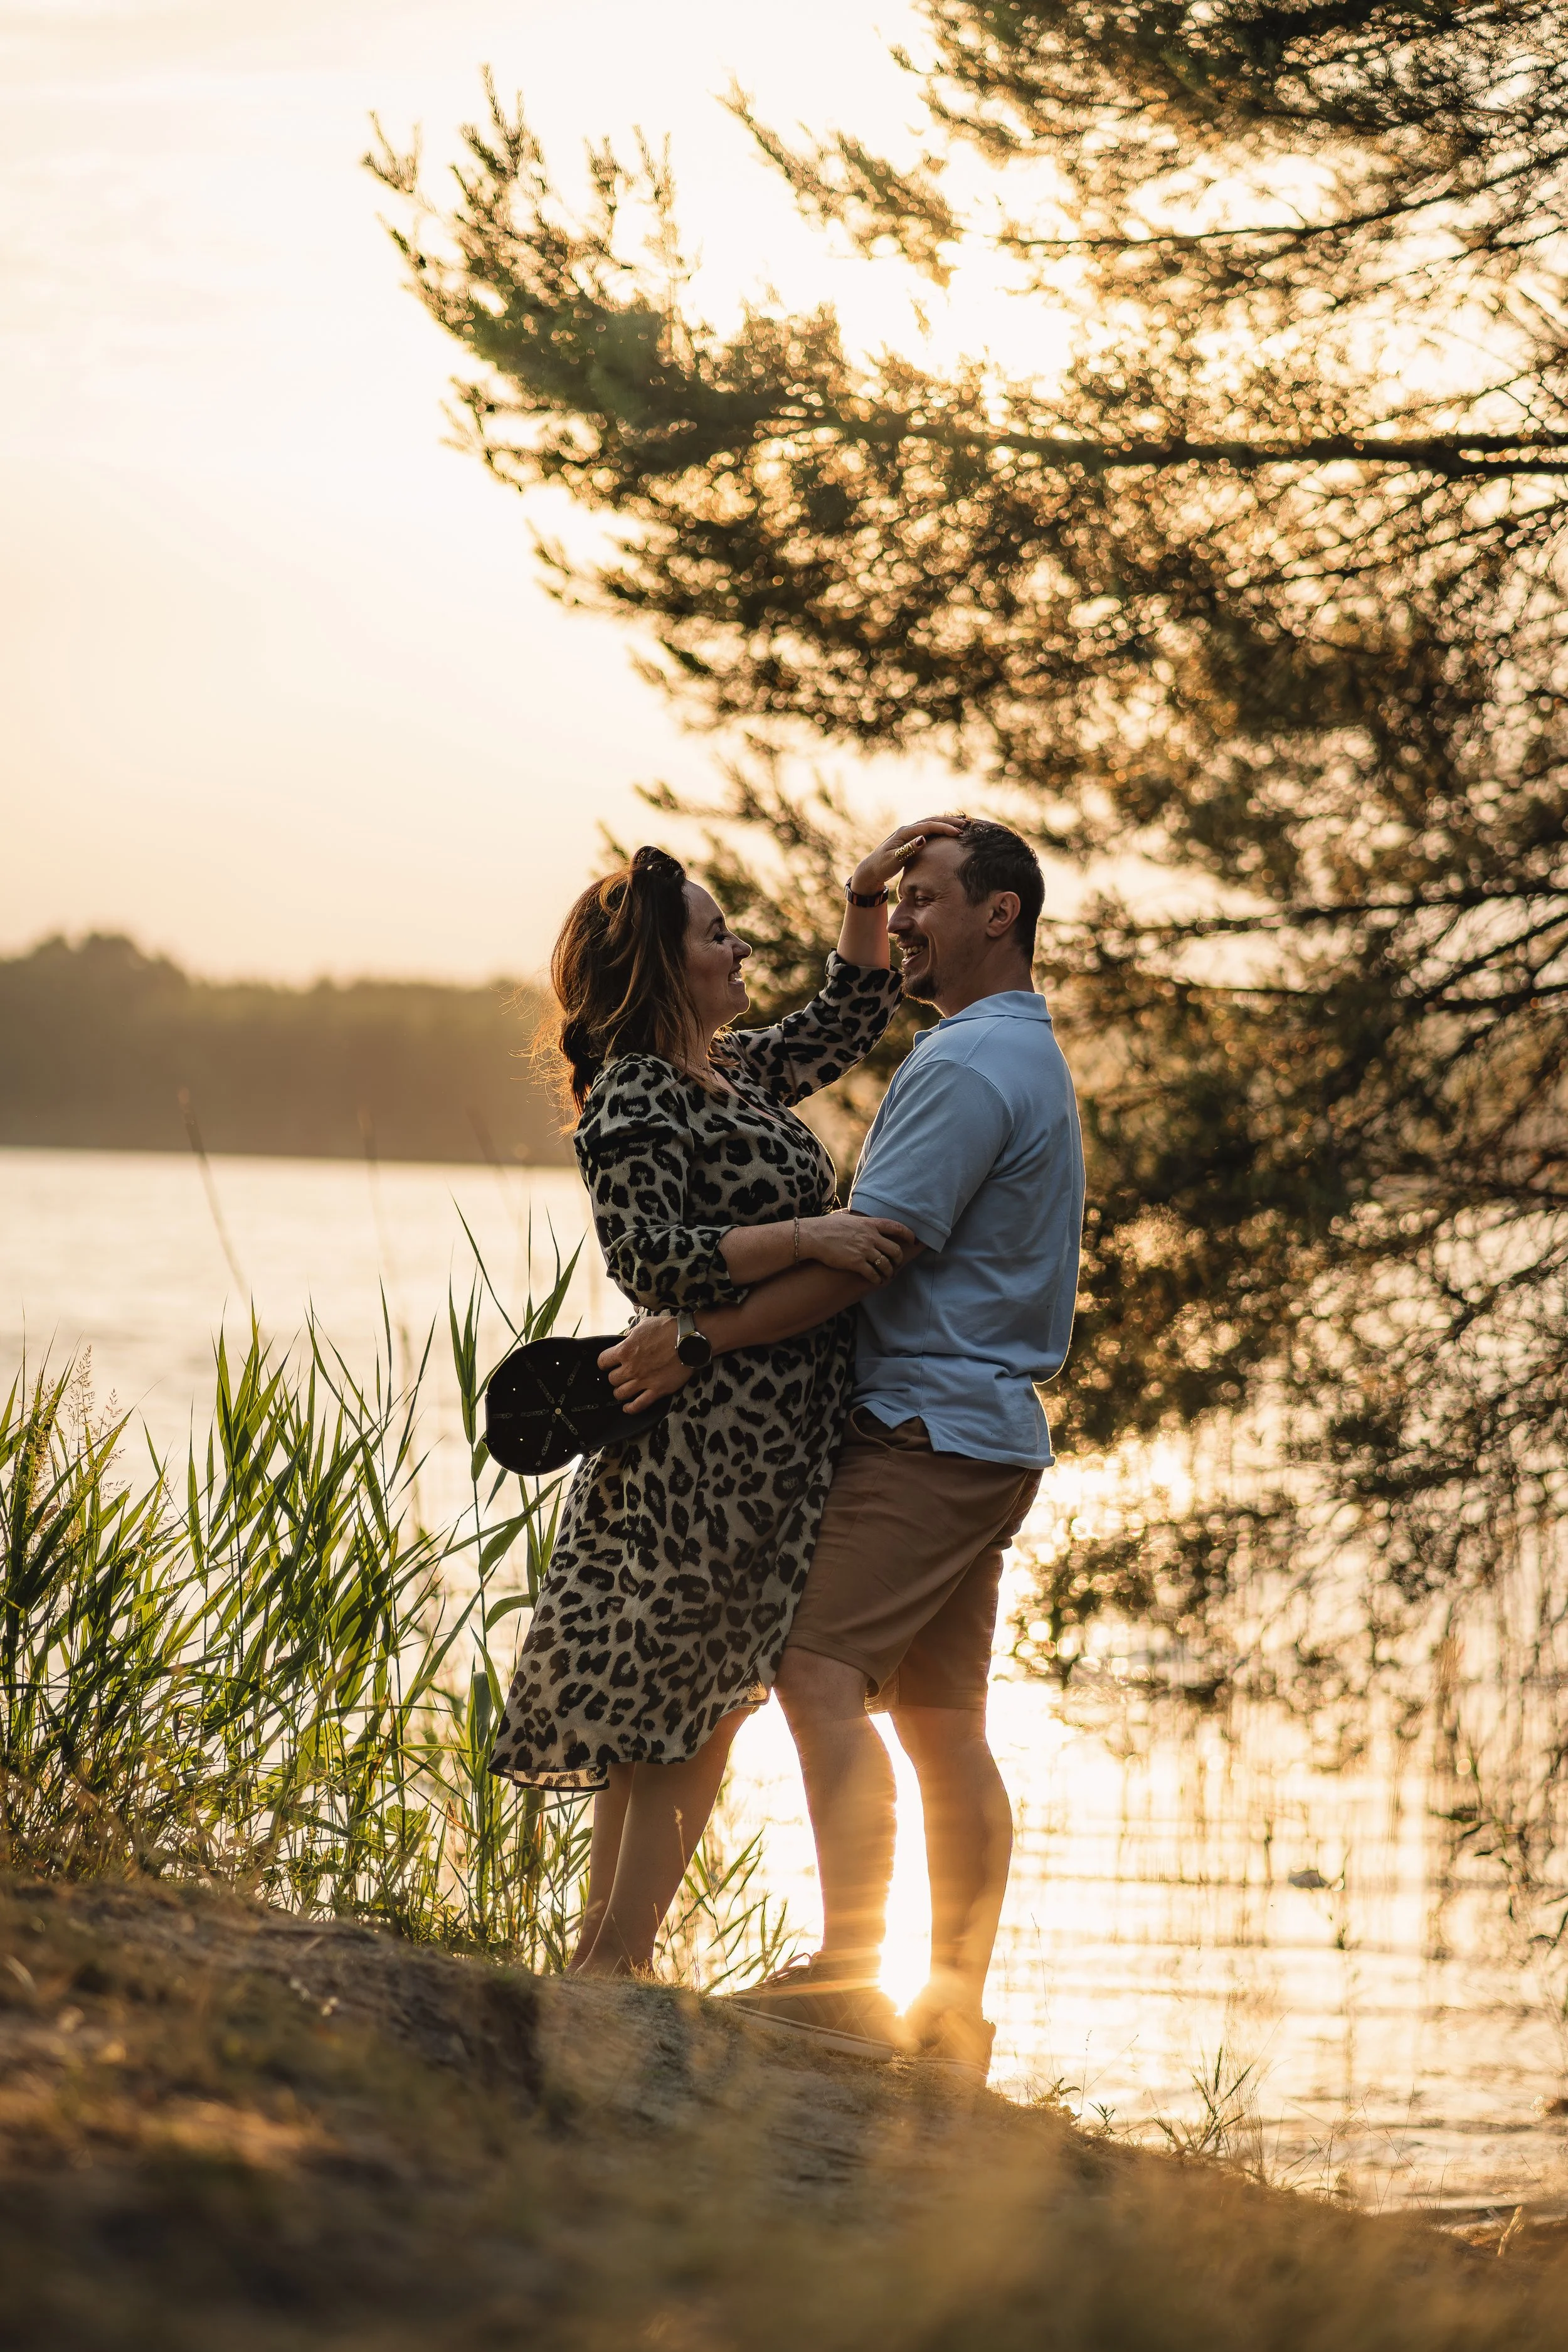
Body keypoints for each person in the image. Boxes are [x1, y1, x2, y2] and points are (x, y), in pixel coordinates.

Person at [601, 818, 1084, 2079]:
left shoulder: (968, 1068)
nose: (909, 920)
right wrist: (864, 899)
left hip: (922, 1428)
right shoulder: (1004, 1050)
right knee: (940, 1725)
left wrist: (691, 1344)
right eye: (902, 900)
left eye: (930, 899)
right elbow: (843, 1011)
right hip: (985, 1432)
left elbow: (862, 1258)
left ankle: (847, 1968)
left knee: (814, 1678)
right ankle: (952, 2016)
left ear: (1001, 914)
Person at [488, 825, 957, 1978]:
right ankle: (614, 1965)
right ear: (667, 966)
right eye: (717, 933)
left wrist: (862, 895)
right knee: (690, 1706)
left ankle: (606, 1963)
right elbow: (651, 1255)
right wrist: (812, 1233)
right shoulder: (640, 1093)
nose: (739, 947)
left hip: (764, 1436)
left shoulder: (729, 1069)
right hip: (701, 1448)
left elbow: (849, 1018)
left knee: (676, 1707)